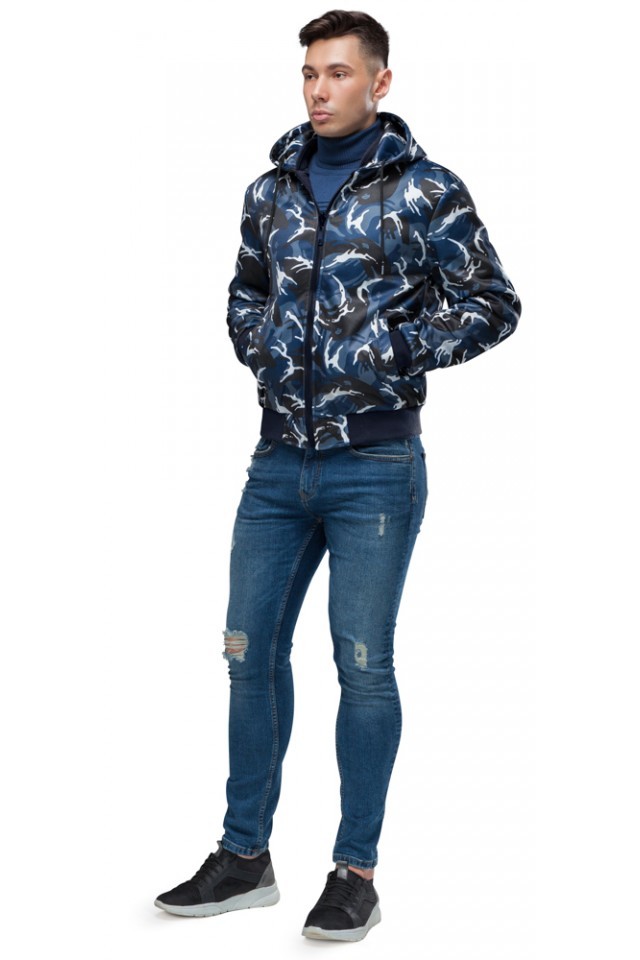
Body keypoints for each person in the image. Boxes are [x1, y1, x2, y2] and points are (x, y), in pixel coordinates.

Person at [154, 9, 521, 942]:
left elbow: (494, 301)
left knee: (362, 665)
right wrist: (262, 346)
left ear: (380, 82)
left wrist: (392, 350)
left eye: (339, 74)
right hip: (278, 462)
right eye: (310, 74)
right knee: (247, 653)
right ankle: (245, 857)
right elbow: (244, 291)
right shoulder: (270, 189)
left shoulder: (427, 189)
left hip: (376, 466)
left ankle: (355, 871)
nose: (320, 90)